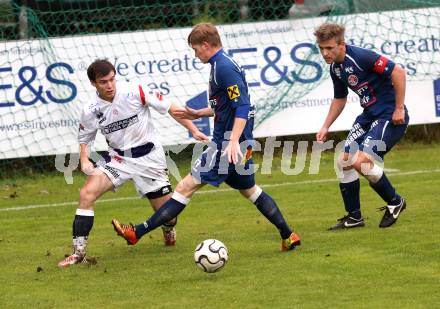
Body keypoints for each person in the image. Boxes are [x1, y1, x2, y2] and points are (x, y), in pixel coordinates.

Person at [112, 23, 301, 251]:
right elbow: (227, 105)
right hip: (241, 142)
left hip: (227, 144)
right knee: (250, 190)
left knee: (184, 187)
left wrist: (231, 142)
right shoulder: (222, 64)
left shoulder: (223, 67)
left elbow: (242, 106)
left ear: (205, 44)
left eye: (195, 49)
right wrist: (198, 113)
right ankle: (288, 235)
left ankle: (137, 232)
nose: (195, 54)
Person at [58, 59, 209, 268]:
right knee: (86, 194)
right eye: (103, 82)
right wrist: (84, 160)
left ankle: (168, 227)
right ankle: (78, 253)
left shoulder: (134, 90)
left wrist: (193, 129)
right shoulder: (90, 109)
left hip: (149, 158)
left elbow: (171, 108)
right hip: (118, 159)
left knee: (168, 213)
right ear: (93, 84)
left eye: (112, 80)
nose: (110, 85)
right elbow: (85, 138)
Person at [314, 23, 409, 230]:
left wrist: (399, 108)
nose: (324, 53)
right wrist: (325, 126)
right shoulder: (335, 68)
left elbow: (398, 72)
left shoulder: (362, 57)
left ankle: (395, 202)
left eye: (329, 48)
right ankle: (354, 216)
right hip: (369, 116)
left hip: (388, 116)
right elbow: (340, 98)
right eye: (321, 48)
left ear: (341, 44)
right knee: (344, 160)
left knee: (361, 161)